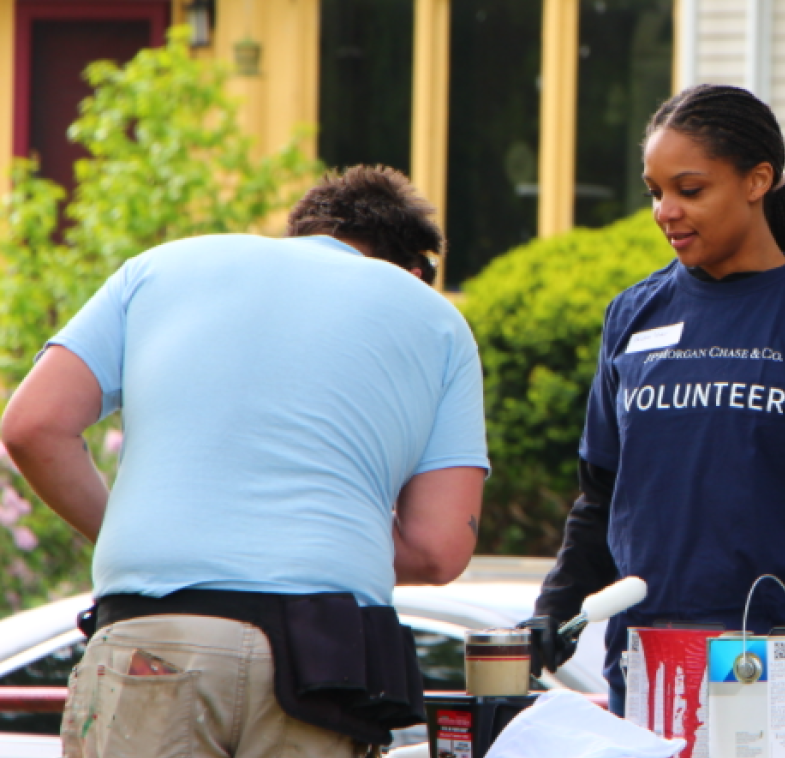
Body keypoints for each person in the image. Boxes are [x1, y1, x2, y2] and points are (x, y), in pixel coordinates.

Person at [0, 166, 488, 758]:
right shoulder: (435, 319)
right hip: (321, 657)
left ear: (303, 232)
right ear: (414, 270)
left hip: (155, 633)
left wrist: (141, 533)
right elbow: (439, 548)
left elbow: (32, 426)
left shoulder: (159, 268)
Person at [533, 83, 785, 758]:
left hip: (779, 672)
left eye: (689, 189)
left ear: (757, 180)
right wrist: (554, 609)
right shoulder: (634, 315)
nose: (666, 211)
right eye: (655, 191)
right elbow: (600, 499)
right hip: (650, 666)